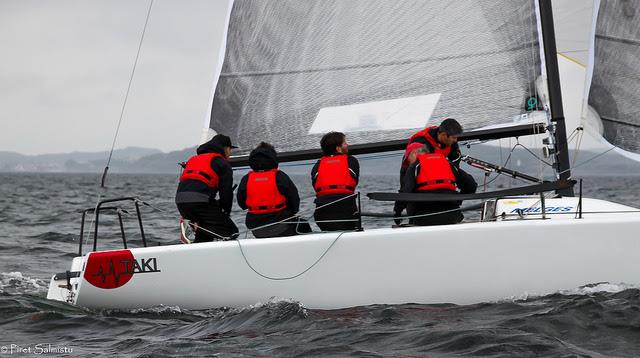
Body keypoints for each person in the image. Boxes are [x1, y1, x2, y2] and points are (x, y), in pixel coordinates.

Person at [395, 118, 476, 222]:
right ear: (443, 135)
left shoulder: (452, 145)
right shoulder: (421, 142)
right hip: (451, 212)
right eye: (453, 138)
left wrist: (398, 212)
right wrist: (456, 200)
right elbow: (471, 185)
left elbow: (406, 188)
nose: (455, 141)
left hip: (422, 215)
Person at [237, 142, 312, 238]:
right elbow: (294, 200)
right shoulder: (280, 176)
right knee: (303, 225)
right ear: (272, 158)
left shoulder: (246, 179)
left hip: (256, 228)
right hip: (282, 227)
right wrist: (290, 213)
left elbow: (242, 204)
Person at [175, 134, 239, 242]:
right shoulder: (222, 163)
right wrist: (225, 213)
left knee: (205, 229)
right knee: (231, 231)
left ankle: (198, 248)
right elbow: (226, 193)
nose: (230, 153)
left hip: (180, 202)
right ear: (225, 148)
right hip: (199, 202)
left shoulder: (193, 159)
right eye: (230, 149)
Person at [399, 146, 477, 226]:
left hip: (422, 219)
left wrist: (397, 213)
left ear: (414, 153)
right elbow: (472, 186)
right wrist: (458, 200)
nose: (409, 163)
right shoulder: (448, 163)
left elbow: (405, 193)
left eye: (408, 160)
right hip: (452, 216)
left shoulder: (414, 166)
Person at [311, 132, 360, 231]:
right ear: (338, 148)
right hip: (347, 211)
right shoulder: (351, 161)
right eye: (345, 143)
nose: (347, 145)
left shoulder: (318, 165)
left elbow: (315, 183)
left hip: (322, 213)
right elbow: (355, 180)